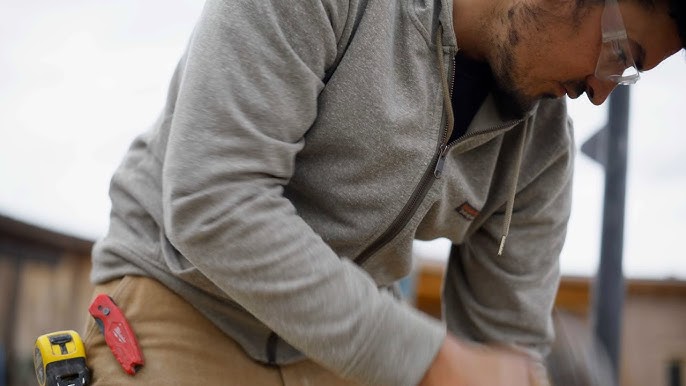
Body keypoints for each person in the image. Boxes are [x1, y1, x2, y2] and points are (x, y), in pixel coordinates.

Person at [82, 0, 685, 385]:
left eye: (628, 77)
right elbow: (216, 201)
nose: (603, 93)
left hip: (345, 357)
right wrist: (430, 359)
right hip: (181, 307)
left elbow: (505, 347)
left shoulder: (544, 145)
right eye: (619, 57)